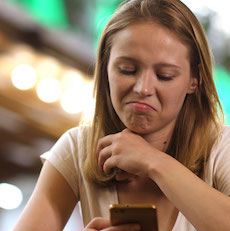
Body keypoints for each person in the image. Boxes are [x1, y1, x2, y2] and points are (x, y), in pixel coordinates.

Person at [14, 0, 230, 230]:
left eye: (165, 75)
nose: (143, 88)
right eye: (127, 69)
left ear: (194, 80)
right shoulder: (77, 149)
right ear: (106, 68)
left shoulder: (221, 148)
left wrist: (153, 162)